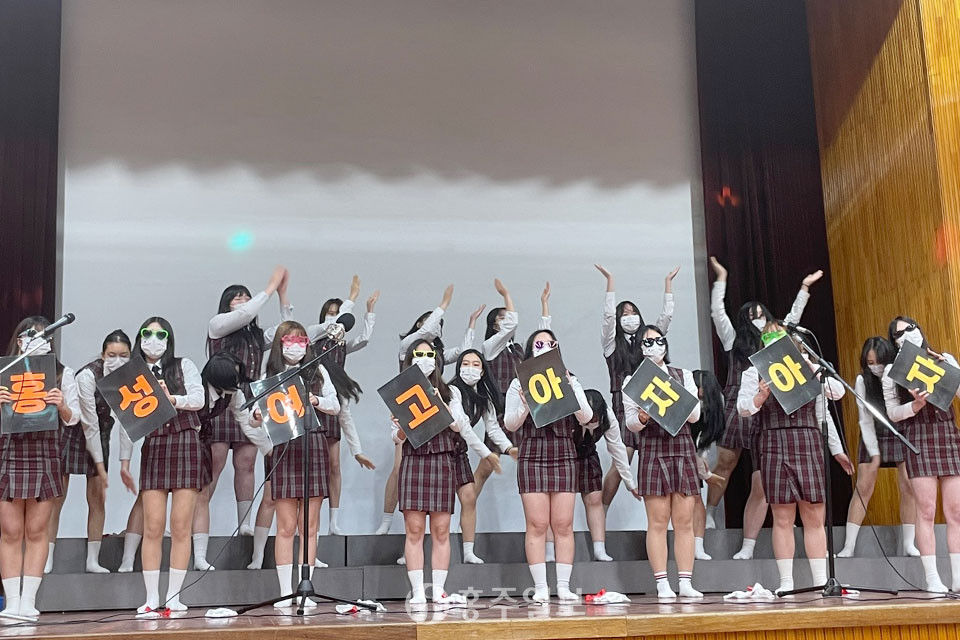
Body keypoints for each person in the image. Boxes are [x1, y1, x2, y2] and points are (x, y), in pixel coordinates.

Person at [737, 323, 852, 594]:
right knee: (782, 515)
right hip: (773, 440)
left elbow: (835, 395)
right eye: (769, 335)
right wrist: (760, 396)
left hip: (808, 438)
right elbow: (743, 409)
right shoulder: (754, 371)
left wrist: (836, 450)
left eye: (780, 335)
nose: (775, 339)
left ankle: (821, 581)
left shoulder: (809, 366)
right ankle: (786, 583)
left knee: (814, 513)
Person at [504, 329, 593, 603]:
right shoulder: (519, 382)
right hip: (532, 452)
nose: (545, 347)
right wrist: (525, 406)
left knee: (563, 524)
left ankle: (563, 587)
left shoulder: (569, 378)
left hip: (563, 451)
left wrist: (570, 387)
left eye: (550, 343)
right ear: (531, 348)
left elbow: (586, 417)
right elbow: (510, 424)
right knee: (537, 523)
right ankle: (541, 587)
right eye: (539, 343)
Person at [0, 317, 80, 620]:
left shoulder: (61, 373)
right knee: (10, 531)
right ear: (18, 340)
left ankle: (29, 600)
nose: (35, 339)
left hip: (44, 451)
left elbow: (74, 418)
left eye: (41, 335)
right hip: (9, 450)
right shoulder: (4, 371)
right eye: (28, 334)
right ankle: (12, 602)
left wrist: (61, 405)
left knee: (36, 530)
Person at [623, 325, 703, 599]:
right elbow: (630, 423)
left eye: (659, 340)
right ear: (639, 347)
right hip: (653, 447)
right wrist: (642, 417)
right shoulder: (632, 381)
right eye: (647, 342)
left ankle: (686, 582)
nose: (654, 345)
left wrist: (676, 393)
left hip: (681, 445)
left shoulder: (683, 375)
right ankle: (662, 583)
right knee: (657, 521)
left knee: (684, 521)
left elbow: (695, 416)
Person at [882, 317, 960, 592]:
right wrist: (914, 406)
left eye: (909, 329)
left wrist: (950, 369)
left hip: (947, 432)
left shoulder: (943, 358)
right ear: (894, 342)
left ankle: (958, 578)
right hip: (918, 434)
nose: (906, 335)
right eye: (898, 334)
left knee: (956, 510)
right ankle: (932, 578)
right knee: (926, 509)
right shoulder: (892, 369)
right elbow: (892, 413)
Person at [837, 337, 919, 558]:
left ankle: (909, 544)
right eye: (870, 363)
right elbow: (864, 419)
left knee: (908, 485)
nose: (875, 367)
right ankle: (849, 546)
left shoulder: (899, 374)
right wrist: (874, 453)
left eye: (879, 362)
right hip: (873, 431)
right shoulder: (862, 380)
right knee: (863, 487)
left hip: (900, 429)